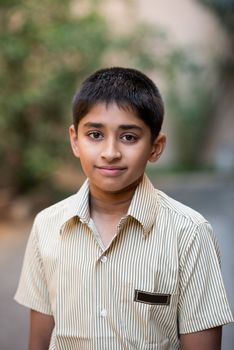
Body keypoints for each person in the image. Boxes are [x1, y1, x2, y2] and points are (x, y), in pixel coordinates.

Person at [15, 67, 233, 350]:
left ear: (156, 147)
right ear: (74, 140)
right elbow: (40, 339)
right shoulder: (47, 226)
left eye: (129, 137)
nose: (110, 152)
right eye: (94, 134)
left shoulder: (189, 233)